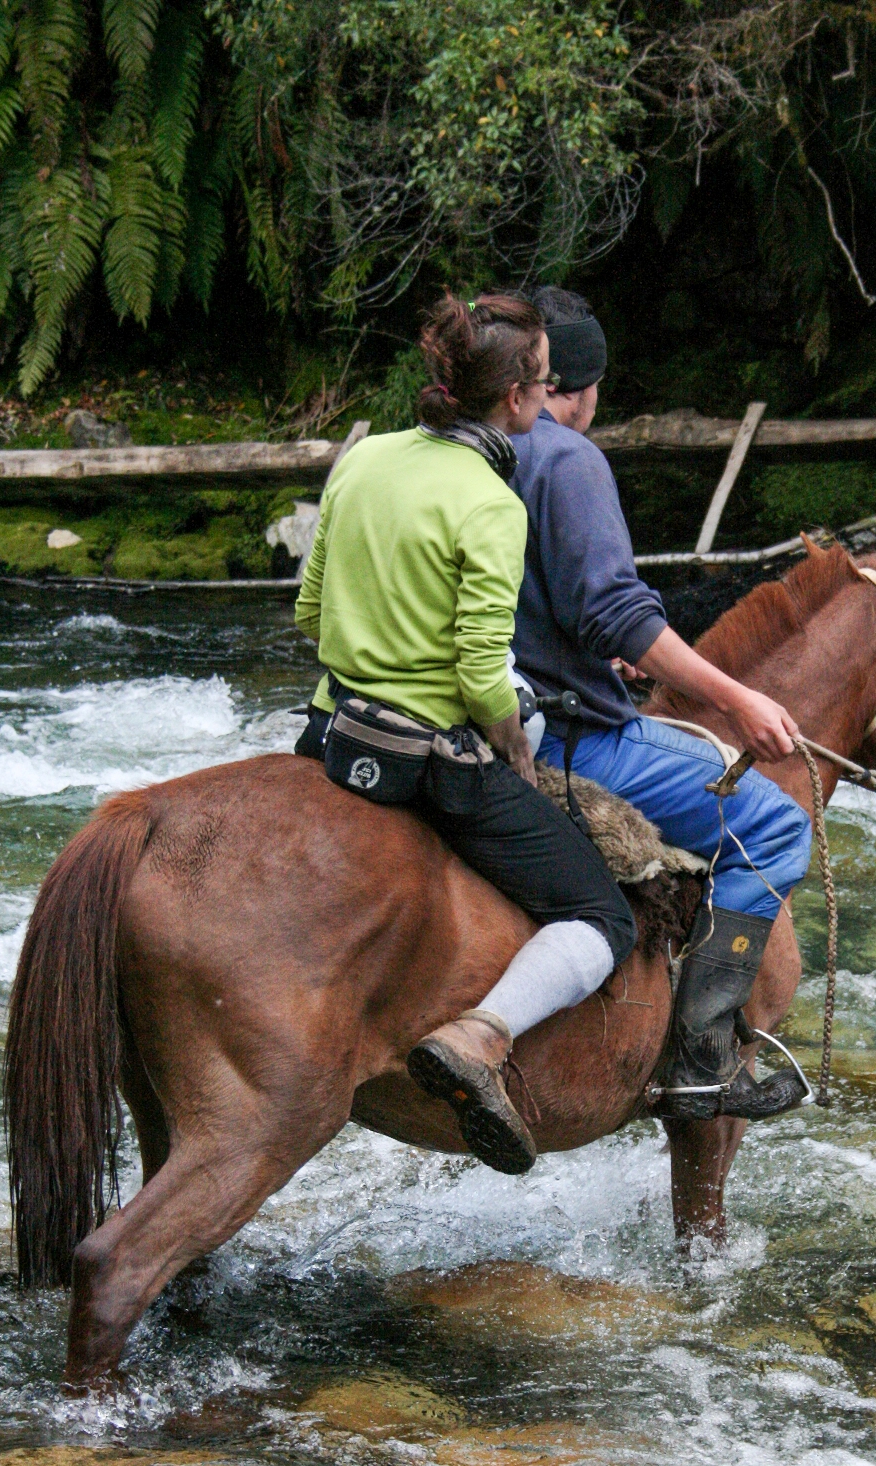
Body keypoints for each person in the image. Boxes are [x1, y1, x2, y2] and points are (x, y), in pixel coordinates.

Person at [293, 292, 636, 1174]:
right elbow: (482, 670)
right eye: (545, 383)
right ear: (517, 399)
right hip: (428, 760)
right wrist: (513, 746)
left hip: (332, 732)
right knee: (602, 916)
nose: (548, 397)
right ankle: (482, 1036)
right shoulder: (490, 501)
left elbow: (308, 611)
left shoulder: (364, 459)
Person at [509, 287, 812, 1123]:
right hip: (563, 738)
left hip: (456, 709)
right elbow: (617, 611)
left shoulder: (458, 448)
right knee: (775, 827)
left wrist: (579, 646)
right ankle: (704, 1059)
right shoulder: (566, 459)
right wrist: (738, 699)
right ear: (578, 386)